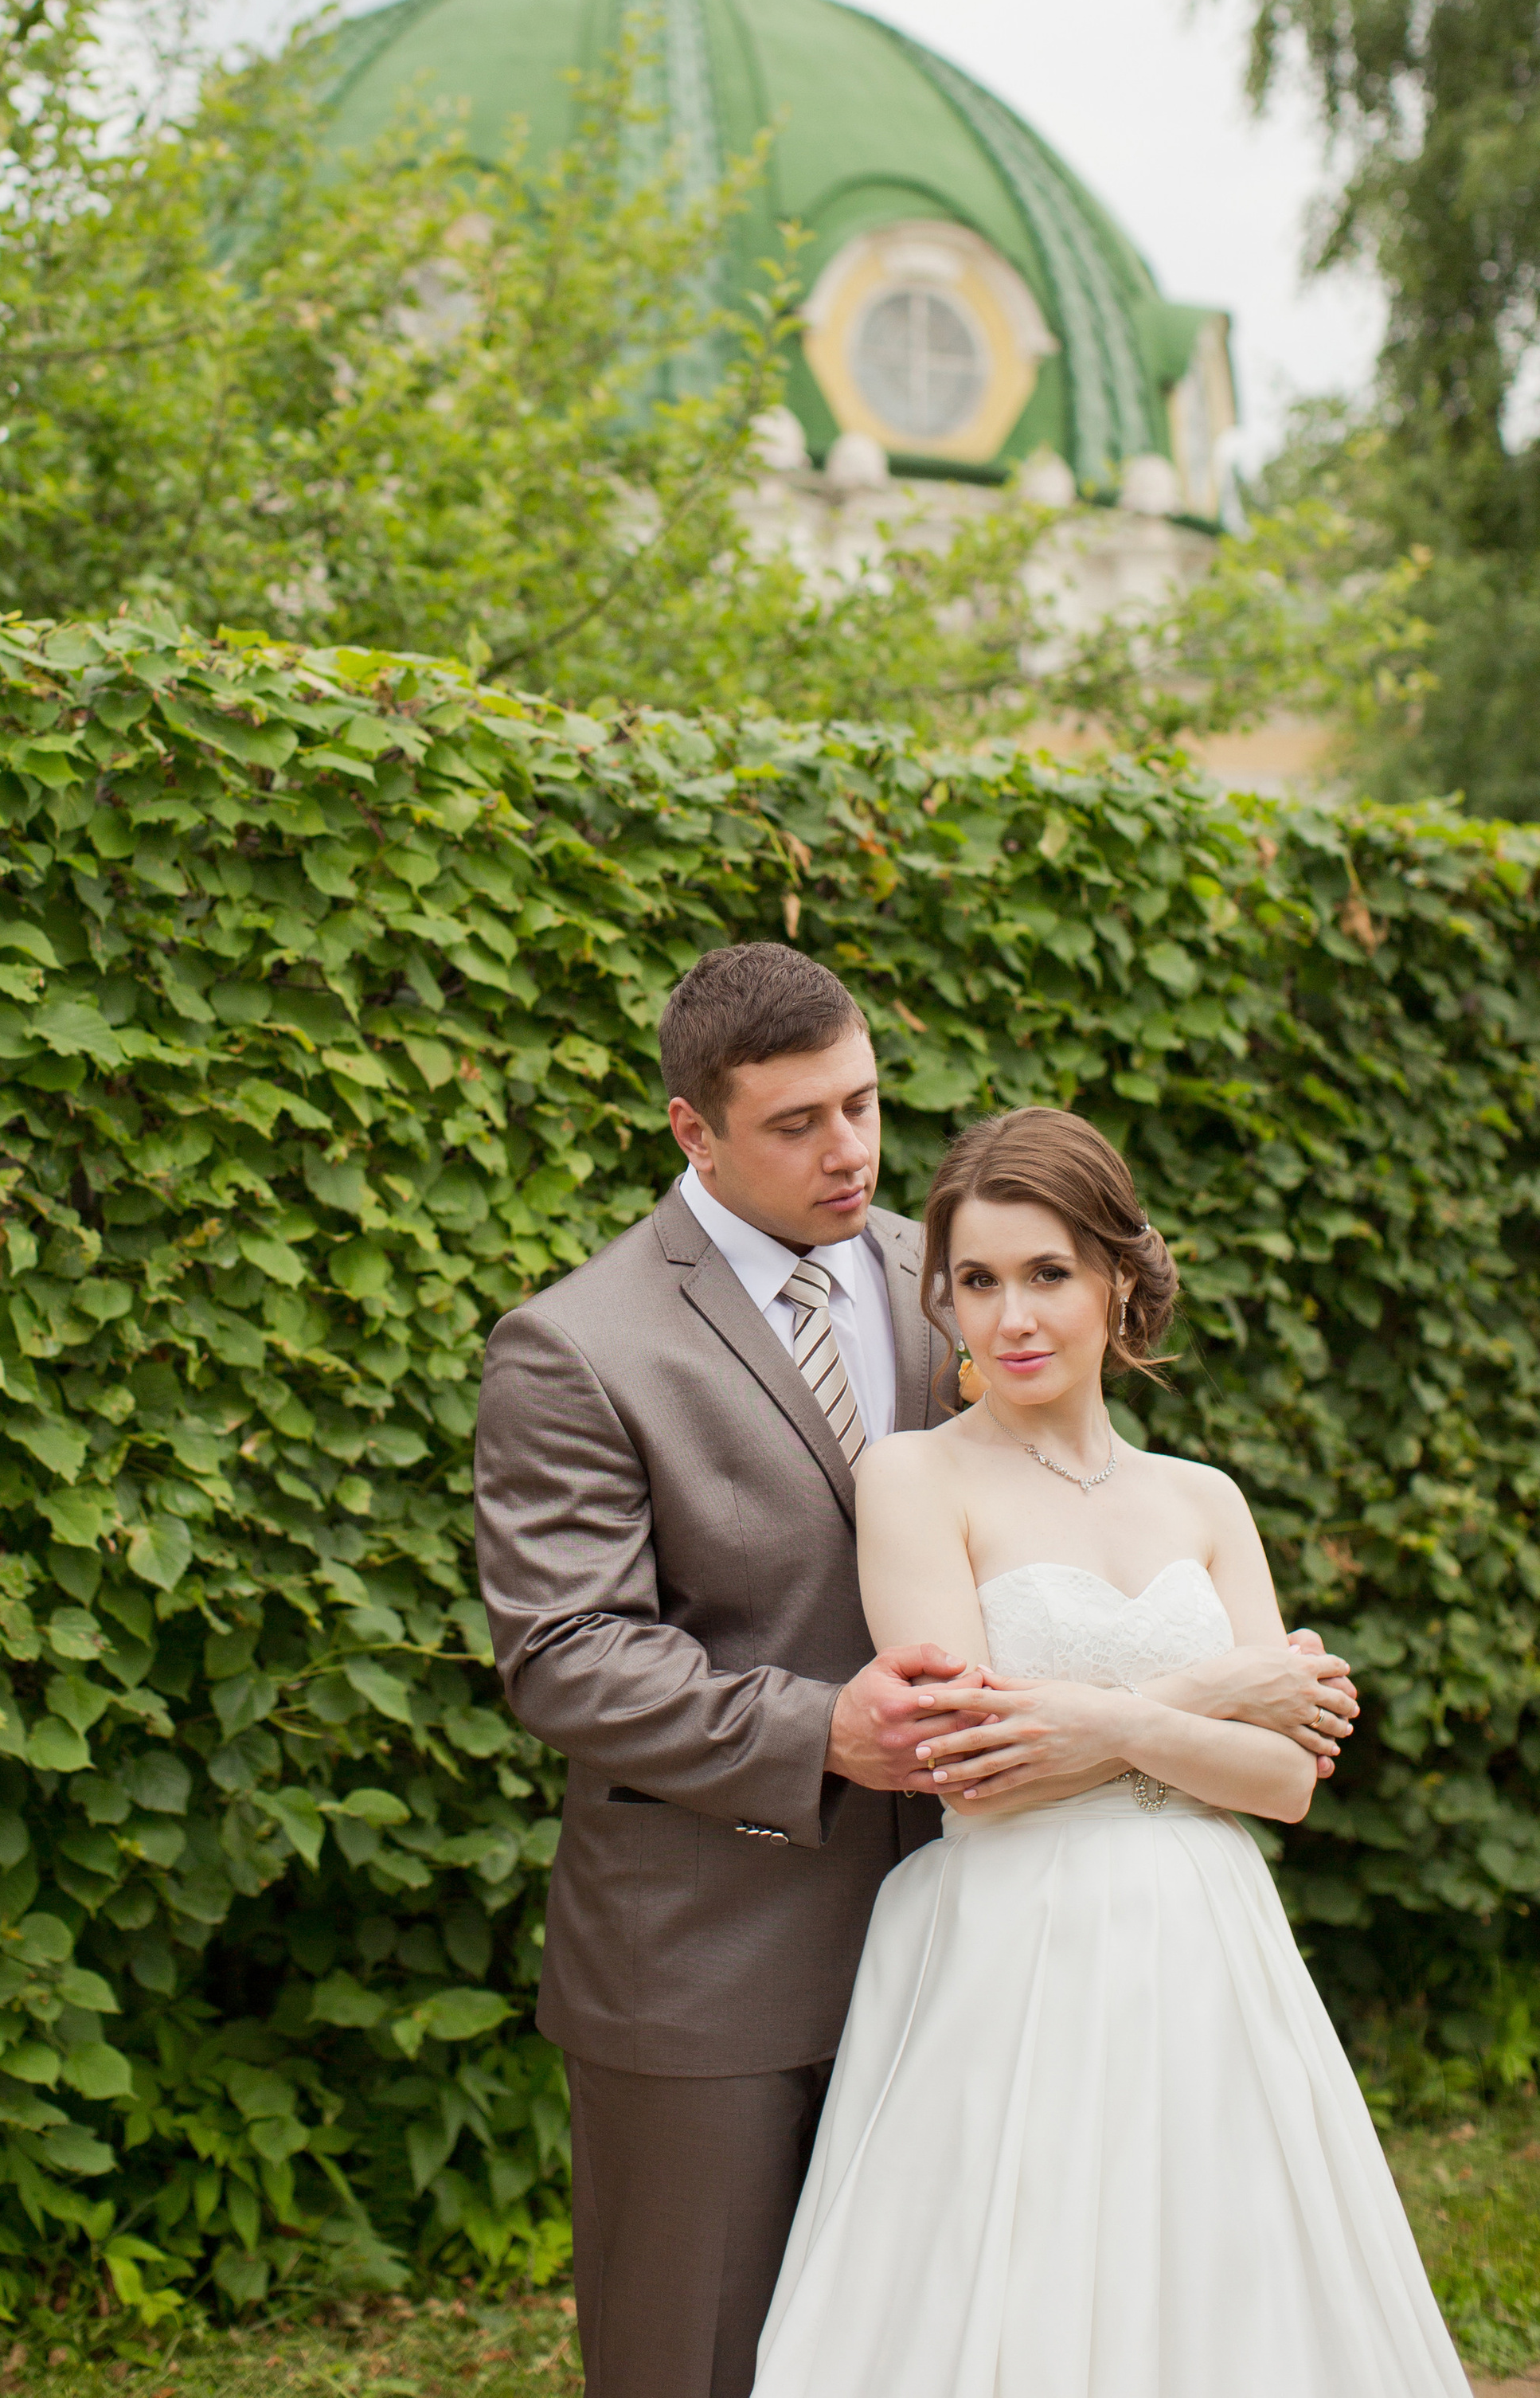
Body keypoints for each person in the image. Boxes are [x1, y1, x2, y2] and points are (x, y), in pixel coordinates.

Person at [473, 946, 1357, 2398]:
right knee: (705, 2362)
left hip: (986, 1948)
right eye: (799, 1124)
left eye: (866, 1103)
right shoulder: (578, 1345)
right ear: (694, 1131)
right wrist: (827, 1729)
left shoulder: (945, 1268)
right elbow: (568, 1657)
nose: (853, 1152)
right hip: (719, 1946)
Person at [756, 1101, 1464, 2398]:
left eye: (1047, 1275)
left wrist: (1118, 1719)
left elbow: (1289, 1782)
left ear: (1119, 1281)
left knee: (1225, 2302)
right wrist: (1210, 1693)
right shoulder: (917, 1479)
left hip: (1210, 1949)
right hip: (1014, 1952)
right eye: (976, 1281)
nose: (1011, 1318)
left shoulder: (1205, 1500)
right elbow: (969, 1756)